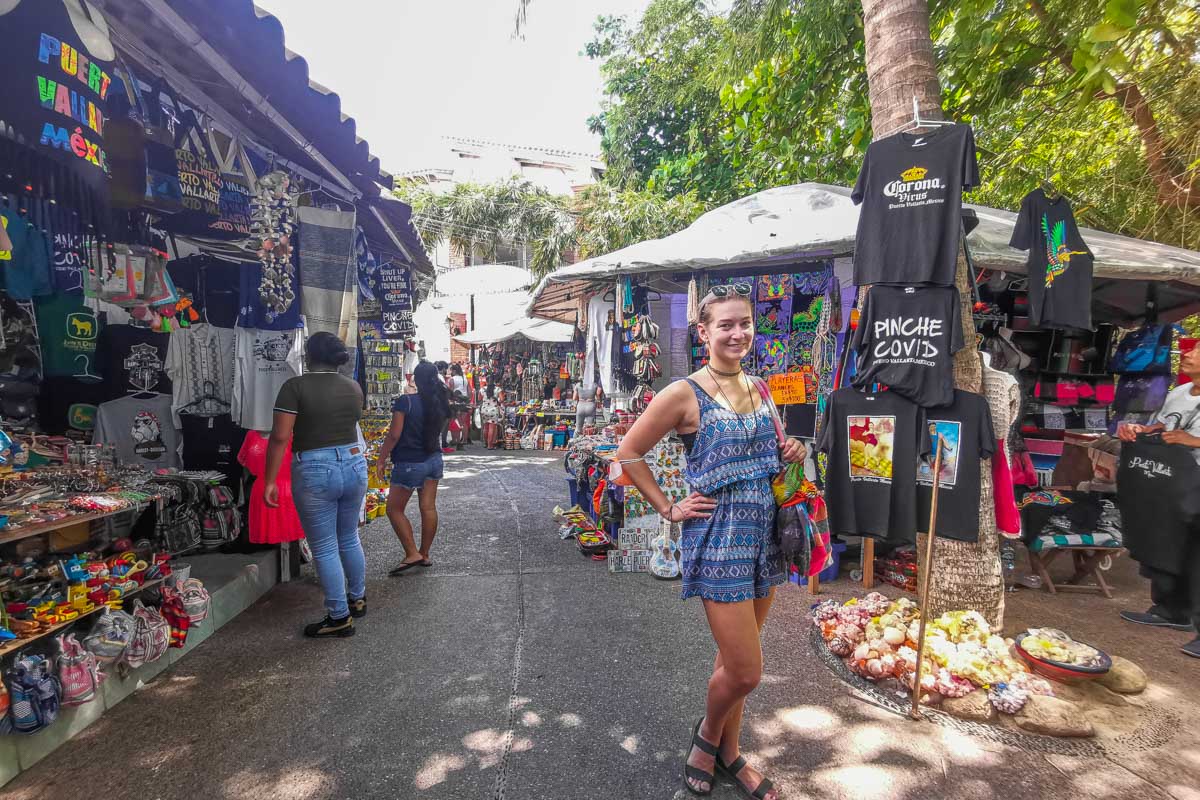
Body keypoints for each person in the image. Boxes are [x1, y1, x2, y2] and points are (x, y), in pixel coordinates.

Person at [614, 284, 806, 799]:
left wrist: (791, 448)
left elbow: (774, 449)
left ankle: (730, 752)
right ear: (704, 332)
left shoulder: (762, 388)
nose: (737, 332)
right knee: (745, 671)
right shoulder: (683, 393)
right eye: (725, 324)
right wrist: (668, 507)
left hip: (765, 534)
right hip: (719, 537)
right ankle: (705, 737)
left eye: (744, 323)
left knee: (731, 662)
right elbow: (628, 453)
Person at [264, 332, 367, 639]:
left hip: (316, 468)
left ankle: (339, 616)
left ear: (309, 355)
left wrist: (270, 480)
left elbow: (280, 436)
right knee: (348, 536)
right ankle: (357, 598)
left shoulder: (295, 386)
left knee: (323, 545)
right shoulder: (353, 387)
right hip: (354, 462)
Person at [1117, 344, 1200, 658]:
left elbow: (1184, 436)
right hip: (1174, 481)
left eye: (1198, 351)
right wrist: (1137, 430)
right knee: (1168, 542)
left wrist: (1192, 440)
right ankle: (1170, 610)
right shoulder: (1179, 393)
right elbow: (1162, 426)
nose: (1189, 354)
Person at [377, 361, 451, 575]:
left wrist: (382, 459)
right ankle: (424, 553)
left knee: (394, 509)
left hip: (410, 462)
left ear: (414, 379)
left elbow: (394, 435)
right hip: (434, 459)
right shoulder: (440, 402)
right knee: (428, 508)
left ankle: (412, 553)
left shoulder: (405, 402)